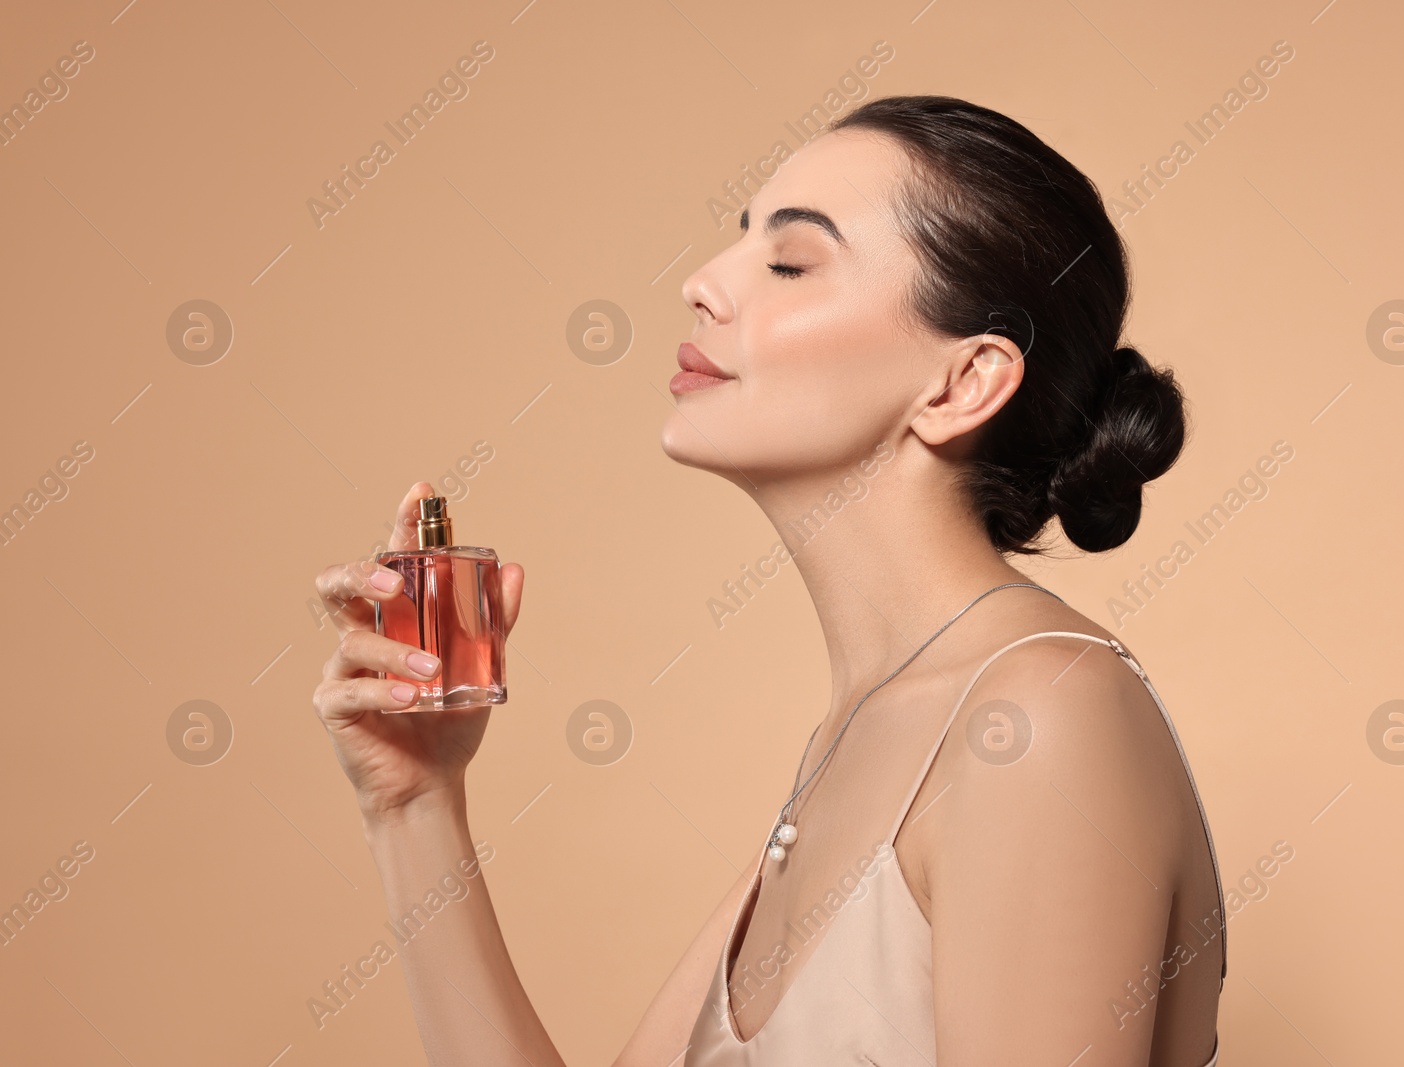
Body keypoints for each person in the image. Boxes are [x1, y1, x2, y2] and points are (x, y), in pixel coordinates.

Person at [312, 94, 1225, 1067]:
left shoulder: (1041, 719)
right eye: (739, 243)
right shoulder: (857, 735)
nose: (702, 284)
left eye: (790, 263)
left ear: (963, 382)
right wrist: (416, 803)